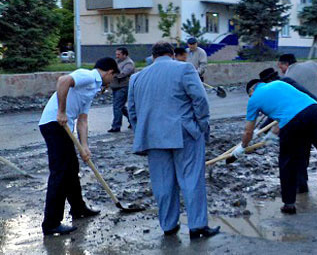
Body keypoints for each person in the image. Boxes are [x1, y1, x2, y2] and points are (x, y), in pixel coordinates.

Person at [234, 79, 317, 214]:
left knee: (288, 162)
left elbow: (248, 131)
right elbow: (289, 108)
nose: (250, 98)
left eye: (249, 95)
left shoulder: (254, 99)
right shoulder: (279, 84)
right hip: (316, 111)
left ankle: (289, 204)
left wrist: (242, 146)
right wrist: (275, 131)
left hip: (293, 123)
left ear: (251, 90)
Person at [128, 41, 220, 238]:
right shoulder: (185, 68)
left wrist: (141, 133)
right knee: (191, 179)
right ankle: (197, 226)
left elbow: (132, 112)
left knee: (162, 183)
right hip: (184, 133)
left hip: (153, 138)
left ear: (153, 56)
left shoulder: (136, 78)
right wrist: (201, 126)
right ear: (171, 54)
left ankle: (168, 226)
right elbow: (200, 100)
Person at [38, 57, 119, 236]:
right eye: (112, 78)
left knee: (72, 169)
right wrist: (61, 111)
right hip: (54, 124)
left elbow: (83, 120)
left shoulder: (92, 89)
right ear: (109, 72)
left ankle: (78, 208)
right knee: (59, 173)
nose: (110, 82)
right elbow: (63, 81)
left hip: (62, 127)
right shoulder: (88, 76)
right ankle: (51, 223)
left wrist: (84, 146)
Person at [258, 66, 317, 197]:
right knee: (301, 154)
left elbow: (276, 114)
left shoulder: (283, 86)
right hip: (306, 119)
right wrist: (261, 131)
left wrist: (262, 132)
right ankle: (301, 186)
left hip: (315, 117)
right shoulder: (282, 85)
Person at [276, 54, 317, 186]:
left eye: (280, 66)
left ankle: (302, 183)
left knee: (302, 149)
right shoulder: (311, 64)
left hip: (304, 116)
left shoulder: (287, 78)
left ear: (285, 64)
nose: (280, 69)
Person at [108, 47, 135, 133]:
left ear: (125, 54)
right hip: (116, 87)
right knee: (121, 107)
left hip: (123, 87)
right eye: (116, 54)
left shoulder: (129, 63)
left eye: (119, 54)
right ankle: (133, 120)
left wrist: (112, 74)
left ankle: (116, 126)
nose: (117, 56)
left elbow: (122, 74)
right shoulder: (117, 62)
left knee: (117, 107)